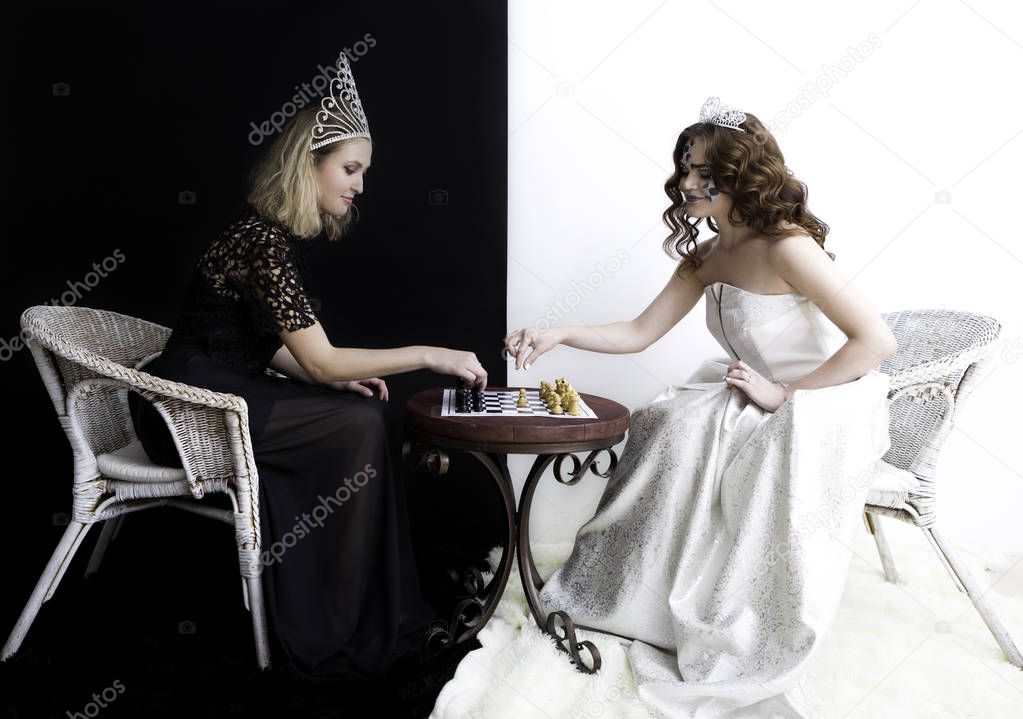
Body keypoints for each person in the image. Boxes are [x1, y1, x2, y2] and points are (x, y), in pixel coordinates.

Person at [503, 97, 897, 717]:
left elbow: (877, 342)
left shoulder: (788, 247)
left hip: (825, 399)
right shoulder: (707, 256)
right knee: (665, 421)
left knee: (692, 432)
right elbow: (638, 332)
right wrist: (560, 332)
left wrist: (785, 395)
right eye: (684, 168)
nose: (686, 182)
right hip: (754, 388)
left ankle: (723, 613)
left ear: (743, 176)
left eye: (703, 172)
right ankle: (634, 591)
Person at [128, 51, 488, 683]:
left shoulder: (266, 238)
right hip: (180, 403)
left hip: (219, 385)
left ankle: (365, 607)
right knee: (354, 426)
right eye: (349, 168)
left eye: (362, 172)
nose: (358, 185)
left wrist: (332, 377)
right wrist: (431, 354)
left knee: (357, 411)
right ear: (309, 164)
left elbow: (259, 345)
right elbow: (315, 359)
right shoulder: (261, 241)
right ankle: (335, 625)